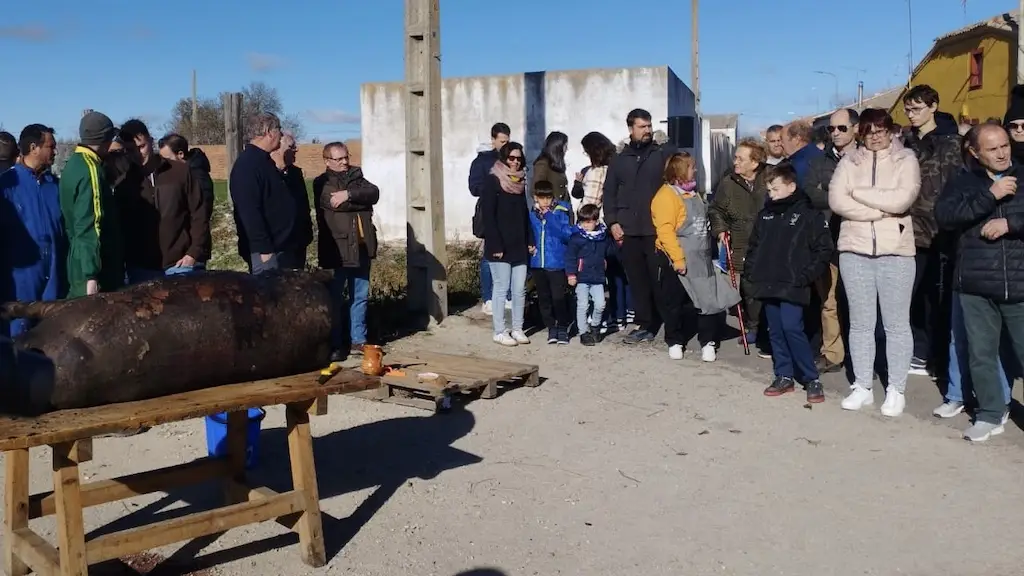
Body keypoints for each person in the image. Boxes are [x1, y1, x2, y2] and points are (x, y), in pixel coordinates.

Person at [935, 122, 1024, 442]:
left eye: (1004, 145)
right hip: (974, 282)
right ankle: (989, 413)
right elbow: (945, 216)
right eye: (992, 148)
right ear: (974, 152)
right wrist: (990, 196)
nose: (1002, 153)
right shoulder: (962, 181)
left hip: (1019, 281)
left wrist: (1010, 223)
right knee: (981, 353)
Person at [829, 108, 921, 417]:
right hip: (854, 250)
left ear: (891, 130)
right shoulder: (849, 161)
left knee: (896, 324)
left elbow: (902, 200)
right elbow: (837, 201)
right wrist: (878, 210)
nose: (875, 136)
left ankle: (896, 389)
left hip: (896, 250)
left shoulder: (905, 160)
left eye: (881, 130)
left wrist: (859, 193)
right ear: (861, 133)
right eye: (869, 131)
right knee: (861, 323)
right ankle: (863, 386)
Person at [744, 162, 833, 402]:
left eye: (775, 189)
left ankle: (810, 377)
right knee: (776, 330)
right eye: (769, 190)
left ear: (791, 186)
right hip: (768, 281)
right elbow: (754, 247)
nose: (770, 194)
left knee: (792, 327)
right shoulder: (766, 215)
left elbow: (823, 250)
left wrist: (805, 275)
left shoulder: (808, 214)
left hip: (793, 283)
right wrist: (751, 273)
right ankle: (783, 374)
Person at [652, 152, 739, 362]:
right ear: (680, 171)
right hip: (677, 258)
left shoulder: (694, 193)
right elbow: (665, 232)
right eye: (691, 166)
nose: (696, 170)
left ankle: (708, 342)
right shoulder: (665, 197)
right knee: (675, 303)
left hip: (701, 257)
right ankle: (675, 340)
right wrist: (678, 260)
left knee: (707, 301)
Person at [901, 84, 963, 377]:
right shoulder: (904, 142)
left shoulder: (954, 142)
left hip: (943, 231)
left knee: (939, 297)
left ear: (933, 106)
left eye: (917, 108)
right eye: (908, 109)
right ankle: (919, 350)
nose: (911, 114)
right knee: (912, 295)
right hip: (909, 231)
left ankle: (939, 356)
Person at [602, 108, 677, 344]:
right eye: (642, 126)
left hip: (656, 229)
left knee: (660, 279)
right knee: (637, 279)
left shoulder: (662, 155)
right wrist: (612, 221)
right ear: (631, 129)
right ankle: (645, 324)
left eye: (649, 126)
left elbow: (676, 185)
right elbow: (609, 192)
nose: (647, 130)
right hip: (628, 228)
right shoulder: (619, 159)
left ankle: (671, 325)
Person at [116, 120, 208, 282]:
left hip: (180, 264)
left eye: (142, 146)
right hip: (141, 269)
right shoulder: (125, 183)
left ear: (151, 141)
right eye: (131, 150)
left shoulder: (180, 171)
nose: (138, 154)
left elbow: (199, 213)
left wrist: (194, 252)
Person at [804, 108, 860, 373]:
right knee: (829, 301)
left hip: (860, 240)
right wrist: (844, 198)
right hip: (829, 240)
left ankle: (862, 355)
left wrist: (830, 193)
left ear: (856, 129)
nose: (835, 133)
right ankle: (833, 353)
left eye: (842, 128)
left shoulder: (867, 158)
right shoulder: (820, 161)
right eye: (831, 129)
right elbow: (810, 192)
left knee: (859, 303)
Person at [314, 142, 380, 361]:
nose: (344, 162)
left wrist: (349, 194)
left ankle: (358, 340)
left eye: (345, 157)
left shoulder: (357, 177)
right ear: (327, 161)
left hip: (361, 246)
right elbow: (335, 204)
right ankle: (334, 342)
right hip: (338, 248)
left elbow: (374, 193)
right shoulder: (322, 182)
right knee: (335, 297)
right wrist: (359, 201)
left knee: (359, 295)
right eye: (339, 159)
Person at [0, 124, 65, 336]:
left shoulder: (54, 186)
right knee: (18, 337)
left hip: (54, 277)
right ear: (34, 147)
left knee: (51, 336)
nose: (55, 151)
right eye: (51, 146)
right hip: (20, 282)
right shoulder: (7, 186)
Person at [709, 138, 770, 357]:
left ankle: (765, 328)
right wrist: (720, 229)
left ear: (755, 163)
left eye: (740, 158)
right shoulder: (729, 182)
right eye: (735, 157)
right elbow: (716, 210)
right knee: (747, 288)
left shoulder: (770, 177)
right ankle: (752, 325)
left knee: (766, 286)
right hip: (740, 240)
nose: (735, 162)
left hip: (768, 242)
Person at [59, 111, 124, 298]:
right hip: (94, 268)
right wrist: (91, 275)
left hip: (77, 260)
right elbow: (89, 225)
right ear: (105, 139)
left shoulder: (73, 164)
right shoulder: (91, 169)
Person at [571, 131, 629, 332]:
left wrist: (579, 220)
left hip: (600, 228)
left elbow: (591, 203)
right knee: (620, 274)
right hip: (620, 223)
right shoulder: (617, 166)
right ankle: (623, 315)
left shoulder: (597, 172)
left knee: (598, 275)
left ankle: (604, 317)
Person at [230, 113, 300, 274]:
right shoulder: (248, 166)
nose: (281, 135)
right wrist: (264, 249)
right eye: (279, 130)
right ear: (269, 132)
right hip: (266, 252)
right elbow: (249, 211)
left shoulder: (265, 161)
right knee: (269, 296)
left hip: (282, 246)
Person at [480, 141, 534, 346]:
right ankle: (499, 330)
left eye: (519, 158)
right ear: (504, 158)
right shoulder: (493, 180)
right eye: (511, 158)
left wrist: (530, 239)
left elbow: (524, 214)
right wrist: (495, 246)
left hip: (518, 243)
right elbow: (489, 216)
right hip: (499, 245)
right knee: (501, 288)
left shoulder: (520, 182)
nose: (515, 162)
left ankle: (518, 328)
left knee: (520, 289)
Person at [470, 122, 511, 316]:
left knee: (511, 254)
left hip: (509, 211)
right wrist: (494, 186)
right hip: (490, 211)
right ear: (493, 140)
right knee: (489, 256)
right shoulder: (482, 161)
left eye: (507, 141)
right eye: (501, 141)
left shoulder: (513, 158)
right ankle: (488, 298)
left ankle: (507, 296)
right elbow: (474, 187)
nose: (504, 145)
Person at [158, 133, 215, 262]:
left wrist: (193, 252)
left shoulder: (197, 177)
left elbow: (201, 213)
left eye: (167, 159)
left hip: (190, 252)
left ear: (180, 154)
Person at [528, 181, 573, 344]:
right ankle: (551, 327)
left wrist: (548, 215)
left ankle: (562, 327)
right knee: (544, 299)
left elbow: (566, 233)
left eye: (548, 197)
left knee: (558, 298)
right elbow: (529, 233)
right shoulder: (531, 214)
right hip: (538, 263)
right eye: (542, 198)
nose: (545, 201)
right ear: (535, 198)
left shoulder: (561, 210)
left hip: (556, 262)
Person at [565, 203, 610, 346]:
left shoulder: (603, 237)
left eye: (589, 222)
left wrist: (605, 263)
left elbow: (608, 251)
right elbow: (570, 257)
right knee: (582, 305)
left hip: (597, 277)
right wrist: (571, 274)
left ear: (596, 221)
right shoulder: (576, 238)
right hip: (581, 277)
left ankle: (595, 326)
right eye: (583, 221)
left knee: (600, 304)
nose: (586, 225)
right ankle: (583, 332)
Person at [272, 132, 313, 268]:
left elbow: (303, 205)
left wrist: (307, 234)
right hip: (278, 245)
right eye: (292, 146)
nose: (296, 149)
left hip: (298, 242)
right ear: (278, 147)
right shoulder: (268, 173)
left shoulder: (295, 173)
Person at [531, 131, 571, 205]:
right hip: (550, 210)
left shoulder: (557, 164)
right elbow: (536, 189)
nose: (566, 149)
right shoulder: (543, 164)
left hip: (562, 208)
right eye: (565, 146)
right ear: (557, 147)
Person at [781, 120, 824, 189]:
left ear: (797, 139)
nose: (781, 144)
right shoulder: (822, 155)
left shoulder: (796, 165)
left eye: (782, 140)